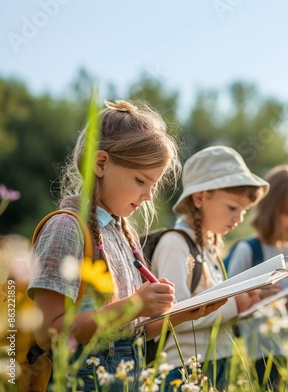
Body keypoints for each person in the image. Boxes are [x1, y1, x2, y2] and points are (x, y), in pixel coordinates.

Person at [28, 100, 224, 391]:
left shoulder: (123, 233)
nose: (148, 195)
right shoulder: (66, 228)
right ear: (101, 163)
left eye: (153, 185)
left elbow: (134, 330)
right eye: (140, 180)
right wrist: (134, 305)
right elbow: (50, 333)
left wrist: (185, 312)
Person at [151, 145, 269, 390]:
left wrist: (245, 304)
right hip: (182, 369)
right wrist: (234, 305)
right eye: (232, 208)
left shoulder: (210, 247)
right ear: (200, 197)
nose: (239, 218)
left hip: (216, 362)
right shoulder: (175, 245)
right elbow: (176, 318)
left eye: (244, 211)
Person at [225, 165, 288, 389]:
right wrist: (262, 296)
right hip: (261, 351)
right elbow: (228, 300)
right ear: (270, 208)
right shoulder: (249, 249)